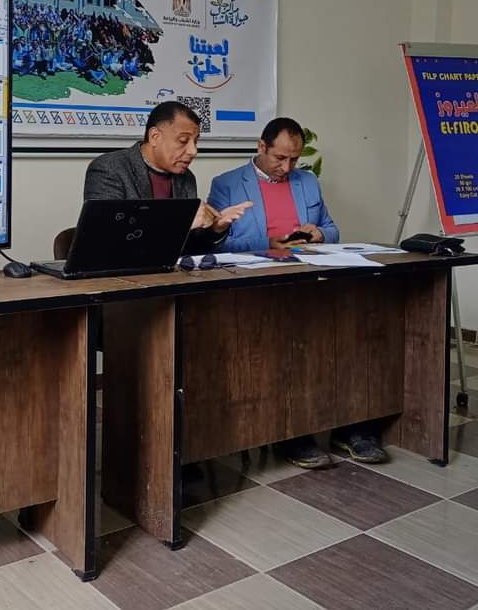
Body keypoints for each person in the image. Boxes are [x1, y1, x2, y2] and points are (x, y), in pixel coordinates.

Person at [207, 117, 388, 468]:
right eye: (279, 158)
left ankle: (351, 425)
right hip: (260, 288)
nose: (287, 167)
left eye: (294, 159)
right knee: (291, 343)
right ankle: (293, 432)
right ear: (261, 147)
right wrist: (268, 242)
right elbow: (218, 243)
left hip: (311, 278)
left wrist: (319, 234)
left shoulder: (307, 182)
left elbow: (332, 229)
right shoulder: (227, 184)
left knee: (353, 333)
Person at [84, 101, 252, 254]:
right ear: (155, 137)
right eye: (183, 140)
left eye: (195, 142)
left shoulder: (186, 178)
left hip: (171, 274)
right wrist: (181, 223)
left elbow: (190, 249)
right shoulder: (109, 168)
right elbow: (108, 240)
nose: (193, 151)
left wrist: (216, 229)